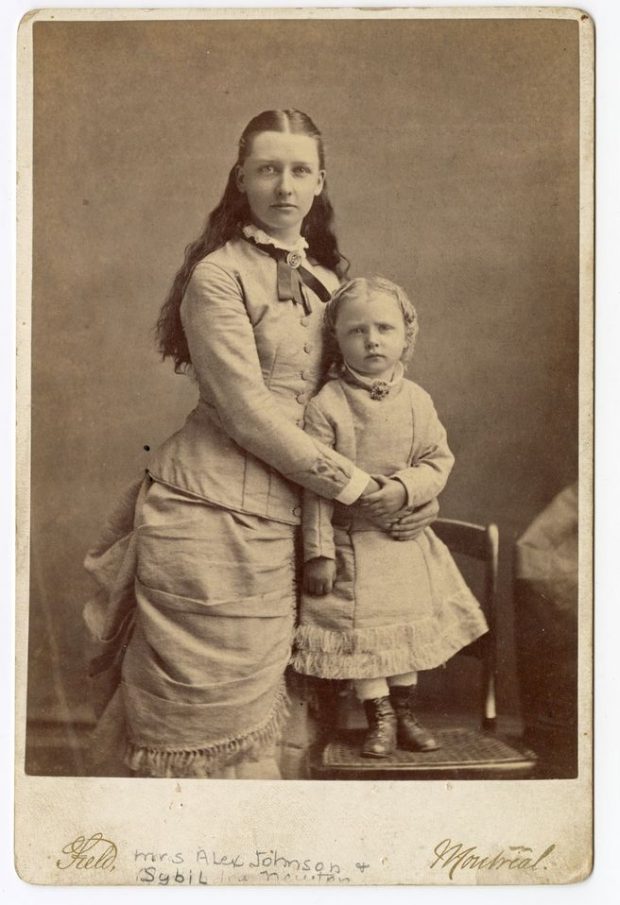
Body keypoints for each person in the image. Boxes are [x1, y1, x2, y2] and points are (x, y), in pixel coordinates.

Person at [83, 110, 438, 780]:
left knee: (294, 712)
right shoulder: (217, 277)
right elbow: (246, 412)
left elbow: (372, 405)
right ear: (241, 178)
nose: (284, 185)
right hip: (212, 516)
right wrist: (364, 492)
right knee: (200, 725)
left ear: (319, 182)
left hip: (309, 516)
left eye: (300, 170)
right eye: (268, 168)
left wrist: (408, 492)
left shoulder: (331, 285)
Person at [291, 276, 489, 758]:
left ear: (406, 335)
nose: (373, 340)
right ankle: (377, 718)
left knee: (403, 632)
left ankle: (405, 714)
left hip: (403, 542)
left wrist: (405, 490)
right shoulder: (327, 405)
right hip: (352, 546)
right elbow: (315, 487)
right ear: (336, 339)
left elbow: (437, 461)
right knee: (362, 637)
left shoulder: (418, 400)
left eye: (384, 328)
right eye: (357, 331)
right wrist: (319, 553)